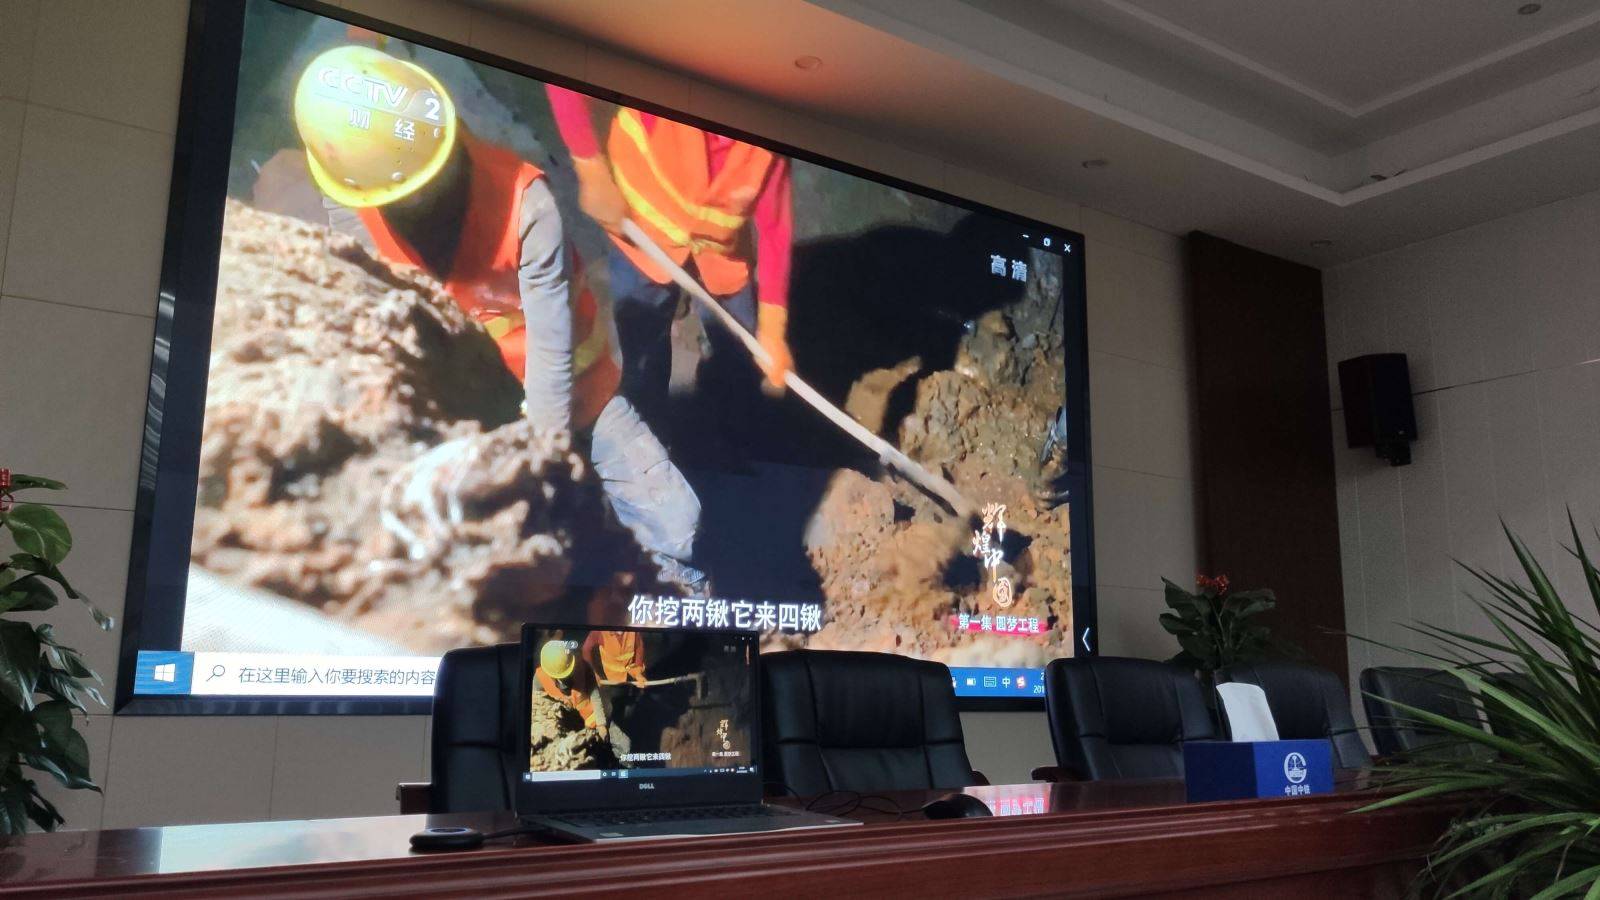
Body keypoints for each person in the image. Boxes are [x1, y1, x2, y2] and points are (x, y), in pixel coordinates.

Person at [292, 45, 706, 593]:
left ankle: (669, 605)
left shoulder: (524, 202)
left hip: (573, 392)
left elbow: (552, 346)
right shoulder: (354, 197)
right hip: (466, 405)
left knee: (677, 523)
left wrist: (545, 459)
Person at [544, 86, 795, 439]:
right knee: (641, 343)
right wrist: (590, 168)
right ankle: (649, 419)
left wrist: (772, 326)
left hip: (720, 255)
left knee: (739, 349)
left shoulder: (770, 145)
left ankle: (733, 419)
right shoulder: (669, 87)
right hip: (642, 241)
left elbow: (774, 229)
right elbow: (565, 78)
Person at [534, 639, 599, 730]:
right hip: (562, 726)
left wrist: (601, 723)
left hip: (591, 723)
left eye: (567, 673)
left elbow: (596, 696)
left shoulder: (583, 666)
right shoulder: (539, 679)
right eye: (561, 676)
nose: (565, 678)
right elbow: (536, 706)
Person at [583, 629, 648, 686]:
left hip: (631, 674)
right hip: (610, 680)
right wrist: (593, 672)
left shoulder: (633, 628)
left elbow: (639, 646)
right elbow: (586, 650)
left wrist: (638, 673)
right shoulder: (599, 631)